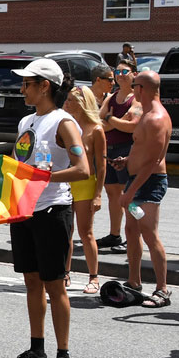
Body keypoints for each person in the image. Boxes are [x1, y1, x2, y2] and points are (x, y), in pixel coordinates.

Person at [4, 59, 89, 358]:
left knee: (55, 286)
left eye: (27, 83)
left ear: (45, 86)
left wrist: (45, 178)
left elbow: (83, 169)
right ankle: (36, 350)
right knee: (31, 282)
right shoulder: (27, 120)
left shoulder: (63, 122)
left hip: (53, 211)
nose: (22, 88)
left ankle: (63, 355)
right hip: (24, 211)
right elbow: (20, 163)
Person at [116, 72, 173, 306]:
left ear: (141, 89)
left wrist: (130, 192)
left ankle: (162, 290)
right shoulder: (147, 115)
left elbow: (154, 160)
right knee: (131, 231)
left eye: (134, 87)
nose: (132, 91)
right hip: (137, 179)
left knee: (149, 232)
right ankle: (134, 281)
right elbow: (144, 151)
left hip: (149, 183)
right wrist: (127, 160)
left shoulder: (156, 118)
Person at [64, 85, 106, 294]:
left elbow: (102, 164)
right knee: (66, 231)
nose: (67, 103)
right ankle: (65, 273)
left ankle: (94, 277)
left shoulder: (96, 129)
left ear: (82, 103)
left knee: (85, 231)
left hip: (86, 183)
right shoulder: (67, 125)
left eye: (71, 100)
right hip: (66, 181)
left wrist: (98, 194)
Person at [96, 59, 138, 253]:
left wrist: (108, 119)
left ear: (134, 75)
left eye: (125, 71)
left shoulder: (135, 98)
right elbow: (98, 123)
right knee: (113, 193)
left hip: (126, 150)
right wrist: (114, 121)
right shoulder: (110, 97)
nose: (120, 75)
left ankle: (132, 238)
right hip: (109, 149)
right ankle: (115, 234)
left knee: (127, 196)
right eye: (117, 71)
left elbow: (131, 124)